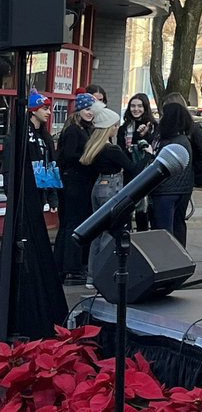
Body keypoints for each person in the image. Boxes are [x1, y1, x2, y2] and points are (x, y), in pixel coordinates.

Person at [79, 98, 138, 285]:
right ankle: (103, 276)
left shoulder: (94, 147)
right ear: (109, 128)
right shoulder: (112, 150)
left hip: (98, 186)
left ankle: (92, 276)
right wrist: (147, 155)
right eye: (114, 126)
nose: (116, 128)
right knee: (109, 234)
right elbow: (132, 168)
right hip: (112, 187)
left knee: (96, 234)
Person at [54, 94, 97, 284]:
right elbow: (69, 155)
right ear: (79, 110)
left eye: (92, 109)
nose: (90, 113)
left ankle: (65, 264)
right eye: (87, 109)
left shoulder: (85, 129)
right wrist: (88, 157)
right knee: (72, 224)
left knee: (71, 223)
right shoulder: (73, 130)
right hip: (74, 182)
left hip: (78, 181)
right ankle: (70, 266)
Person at [148, 102, 194, 246]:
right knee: (178, 226)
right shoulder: (184, 139)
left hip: (165, 190)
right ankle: (180, 256)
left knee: (164, 231)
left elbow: (161, 165)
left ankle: (167, 256)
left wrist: (150, 155)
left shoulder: (171, 142)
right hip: (183, 189)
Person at [118, 92, 158, 231]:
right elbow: (122, 151)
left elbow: (154, 149)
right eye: (133, 106)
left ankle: (143, 236)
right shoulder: (124, 128)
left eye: (140, 106)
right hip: (130, 173)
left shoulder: (154, 127)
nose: (136, 109)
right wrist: (136, 137)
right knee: (128, 208)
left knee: (145, 211)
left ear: (145, 107)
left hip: (149, 173)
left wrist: (146, 135)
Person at [27, 91, 59, 213]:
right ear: (34, 111)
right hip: (25, 190)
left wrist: (53, 198)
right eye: (45, 109)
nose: (49, 112)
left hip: (41, 191)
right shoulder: (21, 134)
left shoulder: (46, 137)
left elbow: (51, 165)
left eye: (49, 109)